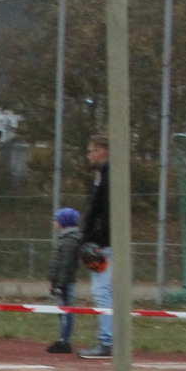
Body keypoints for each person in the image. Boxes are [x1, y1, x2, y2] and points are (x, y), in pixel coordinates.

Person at [78, 135, 112, 359]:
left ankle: (107, 342)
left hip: (105, 244)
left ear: (102, 151)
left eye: (91, 151)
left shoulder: (109, 175)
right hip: (104, 241)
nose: (89, 155)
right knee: (107, 292)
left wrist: (98, 240)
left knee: (102, 292)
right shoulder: (103, 175)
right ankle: (110, 340)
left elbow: (106, 212)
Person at [47, 206, 83, 353]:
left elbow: (66, 265)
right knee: (62, 311)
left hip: (65, 282)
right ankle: (62, 338)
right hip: (60, 281)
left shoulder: (69, 240)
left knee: (66, 310)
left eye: (57, 220)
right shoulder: (64, 238)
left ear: (64, 222)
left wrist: (60, 284)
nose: (54, 222)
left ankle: (64, 341)